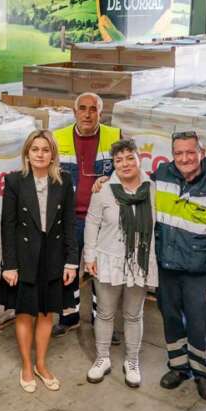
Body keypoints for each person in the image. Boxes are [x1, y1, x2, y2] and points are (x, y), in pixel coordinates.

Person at [93, 131, 206, 400]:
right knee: (171, 321)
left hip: (200, 271)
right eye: (179, 153)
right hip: (168, 268)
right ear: (173, 155)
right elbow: (132, 178)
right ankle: (179, 367)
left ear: (202, 153)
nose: (185, 158)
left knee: (201, 324)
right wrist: (107, 180)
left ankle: (205, 374)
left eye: (190, 152)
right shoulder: (162, 177)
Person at [0, 130, 78, 392]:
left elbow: (69, 224)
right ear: (27, 154)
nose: (40, 154)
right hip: (24, 258)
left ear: (53, 153)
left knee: (46, 313)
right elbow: (7, 227)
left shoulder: (63, 181)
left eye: (45, 149)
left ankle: (41, 364)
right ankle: (26, 365)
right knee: (25, 313)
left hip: (53, 257)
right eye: (35, 149)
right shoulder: (14, 182)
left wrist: (71, 262)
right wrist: (9, 264)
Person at [83, 139, 157, 389]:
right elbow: (92, 223)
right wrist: (89, 256)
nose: (124, 164)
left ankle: (132, 361)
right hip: (107, 259)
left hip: (139, 263)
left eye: (129, 158)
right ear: (113, 164)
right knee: (104, 313)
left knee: (133, 315)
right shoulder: (103, 189)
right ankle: (102, 359)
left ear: (139, 159)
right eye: (118, 160)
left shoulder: (153, 188)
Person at [51, 92, 122, 337]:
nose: (88, 114)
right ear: (75, 112)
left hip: (101, 219)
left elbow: (126, 172)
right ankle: (68, 316)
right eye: (82, 108)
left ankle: (101, 319)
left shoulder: (114, 137)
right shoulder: (58, 138)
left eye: (93, 109)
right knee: (67, 267)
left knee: (101, 273)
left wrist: (111, 180)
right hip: (69, 218)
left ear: (101, 114)